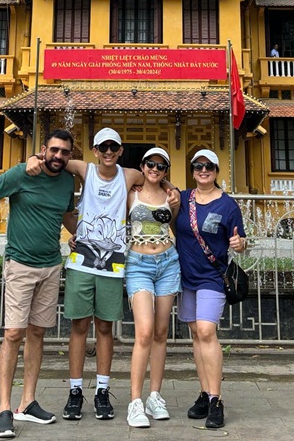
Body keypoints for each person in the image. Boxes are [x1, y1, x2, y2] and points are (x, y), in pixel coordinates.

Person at [24, 126, 175, 421]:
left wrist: (173, 189)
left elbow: (155, 175)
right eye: (102, 147)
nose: (108, 152)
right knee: (79, 326)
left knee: (105, 328)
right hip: (82, 262)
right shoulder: (85, 170)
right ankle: (75, 390)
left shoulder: (129, 176)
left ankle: (102, 391)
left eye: (113, 147)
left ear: (120, 151)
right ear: (94, 150)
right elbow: (54, 160)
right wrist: (33, 158)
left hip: (113, 264)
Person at [0, 129, 76, 440]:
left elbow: (65, 214)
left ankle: (28, 402)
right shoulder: (22, 173)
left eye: (65, 152)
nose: (59, 156)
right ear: (44, 149)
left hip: (51, 265)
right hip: (21, 264)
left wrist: (80, 234)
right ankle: (4, 408)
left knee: (38, 332)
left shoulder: (67, 181)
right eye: (54, 150)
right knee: (13, 333)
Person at [174, 148, 247, 430]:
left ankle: (216, 399)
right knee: (195, 334)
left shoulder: (228, 206)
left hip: (212, 277)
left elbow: (240, 241)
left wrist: (240, 244)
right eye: (198, 166)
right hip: (186, 276)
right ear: (192, 171)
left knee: (206, 331)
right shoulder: (182, 198)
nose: (203, 171)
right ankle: (204, 393)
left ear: (216, 171)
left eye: (209, 166)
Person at [124, 146, 181, 429]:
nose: (155, 169)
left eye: (161, 166)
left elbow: (178, 228)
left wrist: (172, 189)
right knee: (144, 332)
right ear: (142, 166)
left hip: (168, 263)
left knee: (160, 332)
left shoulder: (171, 197)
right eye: (150, 164)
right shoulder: (130, 193)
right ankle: (135, 401)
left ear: (166, 170)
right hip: (138, 265)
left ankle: (154, 396)